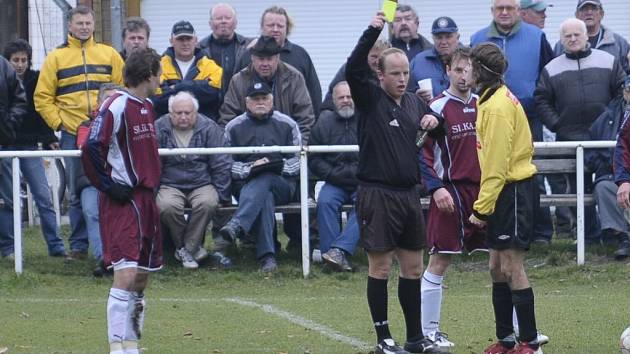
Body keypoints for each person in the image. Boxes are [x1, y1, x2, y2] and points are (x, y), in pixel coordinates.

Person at [346, 11, 443, 354]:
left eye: (406, 73)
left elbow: (438, 131)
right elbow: (353, 66)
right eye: (395, 74)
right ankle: (383, 338)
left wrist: (435, 119)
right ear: (380, 76)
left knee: (414, 269)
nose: (402, 79)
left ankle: (415, 338)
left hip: (408, 196)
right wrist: (373, 29)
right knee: (381, 267)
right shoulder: (370, 99)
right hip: (377, 194)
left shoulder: (415, 102)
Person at [81, 48, 162, 354]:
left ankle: (131, 343)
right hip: (124, 201)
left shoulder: (148, 106)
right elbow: (91, 147)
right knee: (125, 274)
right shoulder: (116, 105)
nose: (160, 77)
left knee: (141, 278)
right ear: (147, 75)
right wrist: (107, 185)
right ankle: (117, 347)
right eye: (158, 72)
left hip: (146, 200)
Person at [34, 5, 124, 260]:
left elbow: (122, 88)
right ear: (70, 26)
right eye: (79, 23)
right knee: (76, 190)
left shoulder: (109, 54)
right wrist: (59, 122)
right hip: (73, 132)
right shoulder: (56, 58)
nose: (84, 27)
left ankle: (108, 240)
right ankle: (79, 244)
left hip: (106, 131)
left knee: (109, 182)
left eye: (87, 23)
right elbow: (42, 97)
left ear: (93, 25)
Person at [468, 43, 540, 354]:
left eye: (470, 66)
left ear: (480, 71)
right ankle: (506, 340)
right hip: (504, 192)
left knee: (512, 266)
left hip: (512, 192)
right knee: (496, 266)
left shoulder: (497, 107)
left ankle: (530, 342)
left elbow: (496, 167)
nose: (466, 71)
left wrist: (480, 210)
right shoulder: (490, 99)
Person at [471, 0, 555, 245]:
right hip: (490, 106)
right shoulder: (478, 38)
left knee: (525, 172)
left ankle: (540, 233)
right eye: (500, 8)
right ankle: (500, 228)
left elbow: (550, 76)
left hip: (526, 114)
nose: (505, 12)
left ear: (519, 11)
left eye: (510, 7)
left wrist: (543, 108)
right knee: (495, 167)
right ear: (492, 11)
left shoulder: (537, 36)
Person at [535, 18, 625, 245]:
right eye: (568, 36)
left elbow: (620, 93)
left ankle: (616, 234)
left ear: (587, 36)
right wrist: (557, 124)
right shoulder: (551, 68)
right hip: (570, 139)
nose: (573, 39)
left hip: (605, 140)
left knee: (607, 182)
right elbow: (542, 100)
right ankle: (590, 237)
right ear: (562, 40)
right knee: (578, 188)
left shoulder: (608, 61)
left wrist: (611, 123)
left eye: (577, 34)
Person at [419, 47, 484, 349]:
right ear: (447, 70)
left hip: (484, 193)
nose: (463, 75)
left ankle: (512, 331)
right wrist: (435, 187)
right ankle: (428, 332)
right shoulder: (437, 108)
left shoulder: (484, 104)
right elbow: (421, 153)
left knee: (502, 261)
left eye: (468, 69)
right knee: (439, 261)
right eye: (458, 69)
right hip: (451, 192)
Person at [220, 81, 301, 274]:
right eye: (255, 99)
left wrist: (276, 166)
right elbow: (225, 163)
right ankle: (267, 258)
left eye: (264, 98)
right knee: (263, 194)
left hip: (282, 185)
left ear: (272, 100)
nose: (260, 102)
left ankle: (238, 225)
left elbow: (299, 161)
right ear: (246, 102)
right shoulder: (233, 127)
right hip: (246, 188)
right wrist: (250, 168)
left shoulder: (288, 124)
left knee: (266, 176)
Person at [3, 39, 67, 258]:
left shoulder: (37, 79)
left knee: (44, 196)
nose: (20, 65)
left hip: (30, 145)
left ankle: (56, 246)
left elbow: (42, 110)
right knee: (8, 199)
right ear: (7, 61)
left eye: (23, 60)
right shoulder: (3, 80)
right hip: (7, 144)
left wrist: (49, 136)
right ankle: (10, 248)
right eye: (15, 60)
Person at [155, 91, 231, 269]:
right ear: (170, 113)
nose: (183, 117)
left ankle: (185, 250)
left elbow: (221, 163)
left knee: (208, 203)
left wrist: (222, 194)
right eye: (178, 113)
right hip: (170, 183)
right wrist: (152, 192)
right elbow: (153, 164)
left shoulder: (210, 128)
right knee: (166, 206)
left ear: (195, 113)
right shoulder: (158, 127)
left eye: (187, 113)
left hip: (201, 182)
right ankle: (193, 249)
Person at [219, 35, 314, 142]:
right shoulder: (238, 81)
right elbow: (227, 118)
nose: (265, 64)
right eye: (261, 59)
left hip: (286, 148)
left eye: (269, 59)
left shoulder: (294, 78)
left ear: (277, 58)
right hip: (246, 149)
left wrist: (299, 148)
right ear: (252, 58)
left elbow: (305, 118)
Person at [309, 81, 359, 272]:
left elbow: (375, 152)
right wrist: (331, 173)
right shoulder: (323, 122)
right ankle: (333, 258)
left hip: (361, 181)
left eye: (349, 96)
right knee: (325, 202)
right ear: (333, 100)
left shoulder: (366, 120)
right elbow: (314, 158)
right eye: (341, 97)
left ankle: (337, 251)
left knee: (367, 203)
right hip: (334, 181)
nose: (346, 100)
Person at [234, 6, 321, 115]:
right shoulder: (248, 55)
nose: (275, 29)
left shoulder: (300, 55)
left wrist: (308, 129)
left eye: (280, 26)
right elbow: (235, 93)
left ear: (287, 28)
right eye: (270, 25)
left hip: (291, 129)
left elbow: (314, 94)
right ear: (262, 27)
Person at [586, 77, 630, 259]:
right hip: (615, 174)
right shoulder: (608, 115)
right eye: (629, 90)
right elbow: (594, 147)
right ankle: (623, 237)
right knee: (604, 187)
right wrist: (622, 178)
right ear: (623, 92)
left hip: (622, 174)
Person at [153, 20, 223, 120]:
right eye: (180, 39)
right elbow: (159, 100)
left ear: (196, 40)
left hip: (203, 128)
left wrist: (177, 87)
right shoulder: (159, 66)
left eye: (189, 39)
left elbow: (213, 97)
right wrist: (199, 86)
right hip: (167, 128)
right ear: (171, 41)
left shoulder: (211, 67)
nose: (185, 43)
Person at [554, 0, 630, 74]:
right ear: (576, 15)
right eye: (584, 9)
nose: (589, 12)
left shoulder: (619, 44)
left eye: (594, 8)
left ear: (601, 14)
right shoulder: (563, 45)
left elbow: (627, 74)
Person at [0, 54, 26, 260]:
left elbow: (19, 98)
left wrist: (8, 125)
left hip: (3, 143)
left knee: (8, 197)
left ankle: (9, 247)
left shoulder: (3, 65)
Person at [321, 39, 390, 112]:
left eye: (381, 57)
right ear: (366, 55)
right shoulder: (351, 70)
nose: (377, 61)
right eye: (374, 57)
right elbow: (331, 97)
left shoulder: (393, 72)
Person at [198, 3, 252, 93]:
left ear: (235, 23)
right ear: (210, 24)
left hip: (240, 102)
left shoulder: (249, 47)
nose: (223, 21)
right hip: (209, 103)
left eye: (228, 18)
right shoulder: (198, 49)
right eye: (218, 18)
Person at [409, 16, 461, 103]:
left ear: (457, 37)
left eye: (448, 37)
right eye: (439, 37)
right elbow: (406, 94)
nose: (444, 42)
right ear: (433, 38)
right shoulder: (418, 62)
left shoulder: (468, 60)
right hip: (429, 114)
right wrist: (416, 97)